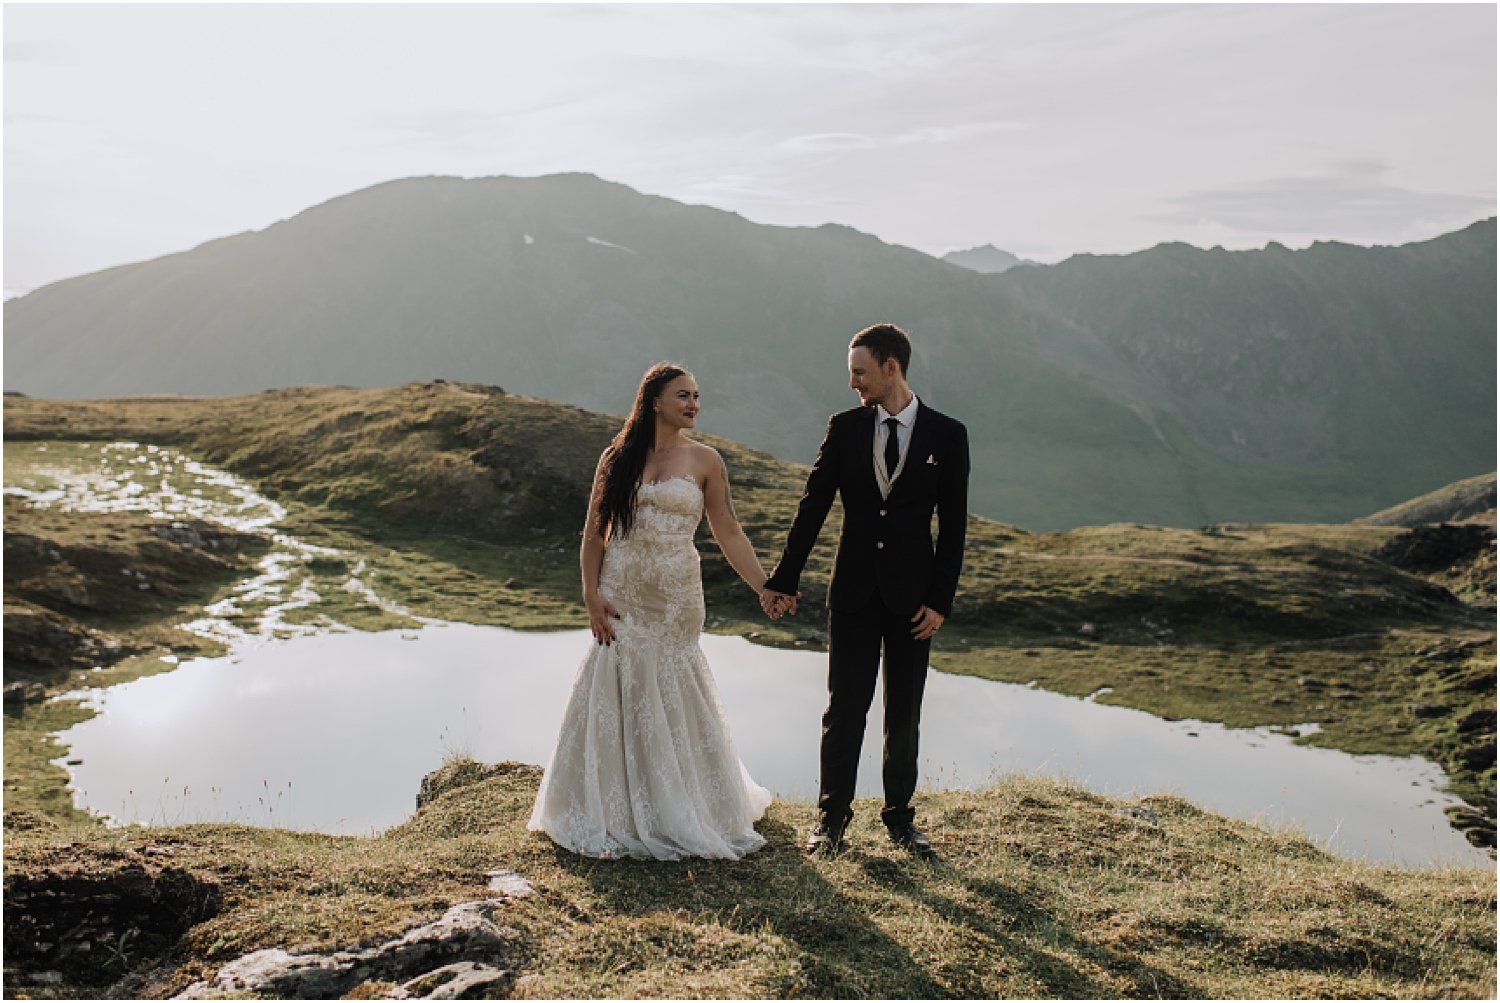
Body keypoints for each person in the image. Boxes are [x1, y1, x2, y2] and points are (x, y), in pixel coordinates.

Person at [529, 362, 777, 860]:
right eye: (683, 395)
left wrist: (764, 586)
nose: (693, 404)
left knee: (672, 681)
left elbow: (727, 530)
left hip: (676, 597)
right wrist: (589, 592)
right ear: (655, 401)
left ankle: (683, 805)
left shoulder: (706, 460)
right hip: (621, 591)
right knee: (616, 679)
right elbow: (594, 531)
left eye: (697, 396)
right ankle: (616, 807)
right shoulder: (616, 457)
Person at [762, 323, 969, 858]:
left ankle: (901, 820)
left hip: (914, 601)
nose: (853, 382)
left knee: (905, 712)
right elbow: (813, 507)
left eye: (860, 371)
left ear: (890, 367)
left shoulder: (948, 435)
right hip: (851, 592)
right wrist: (783, 579)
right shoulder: (845, 427)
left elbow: (954, 527)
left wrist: (940, 601)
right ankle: (830, 820)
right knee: (844, 709)